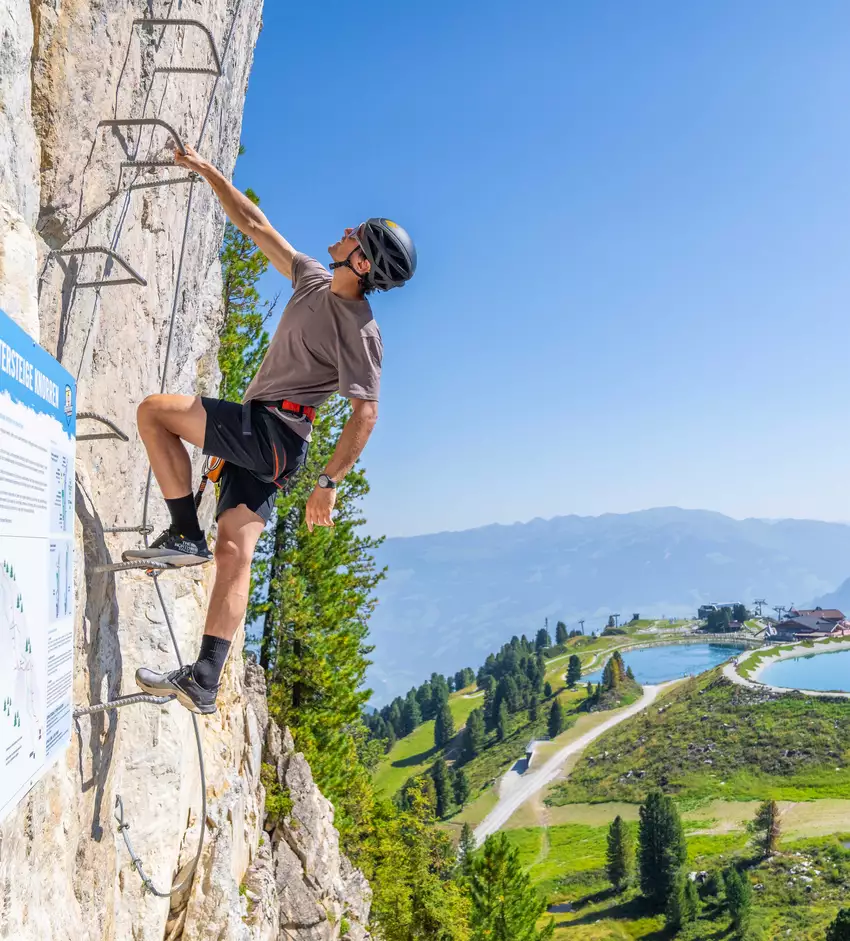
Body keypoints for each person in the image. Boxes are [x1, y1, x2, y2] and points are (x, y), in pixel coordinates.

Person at [124, 145, 416, 715]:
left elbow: (366, 412)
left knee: (156, 412)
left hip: (274, 433)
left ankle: (184, 530)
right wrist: (210, 172)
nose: (347, 229)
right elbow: (256, 225)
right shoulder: (311, 276)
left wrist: (329, 484)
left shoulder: (361, 332)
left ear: (362, 264)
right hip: (275, 442)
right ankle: (205, 679)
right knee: (234, 551)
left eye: (359, 234)